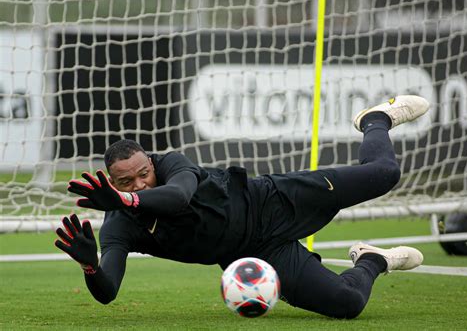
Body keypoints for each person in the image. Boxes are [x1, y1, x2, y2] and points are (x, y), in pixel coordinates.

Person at [56, 95, 429, 319]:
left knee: (384, 173)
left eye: (143, 174)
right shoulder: (118, 226)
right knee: (347, 304)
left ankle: (375, 119)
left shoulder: (171, 164)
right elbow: (108, 292)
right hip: (256, 252)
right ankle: (373, 259)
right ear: (111, 181)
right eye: (126, 182)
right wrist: (91, 266)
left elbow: (178, 197)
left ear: (151, 164)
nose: (139, 183)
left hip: (272, 200)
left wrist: (125, 197)